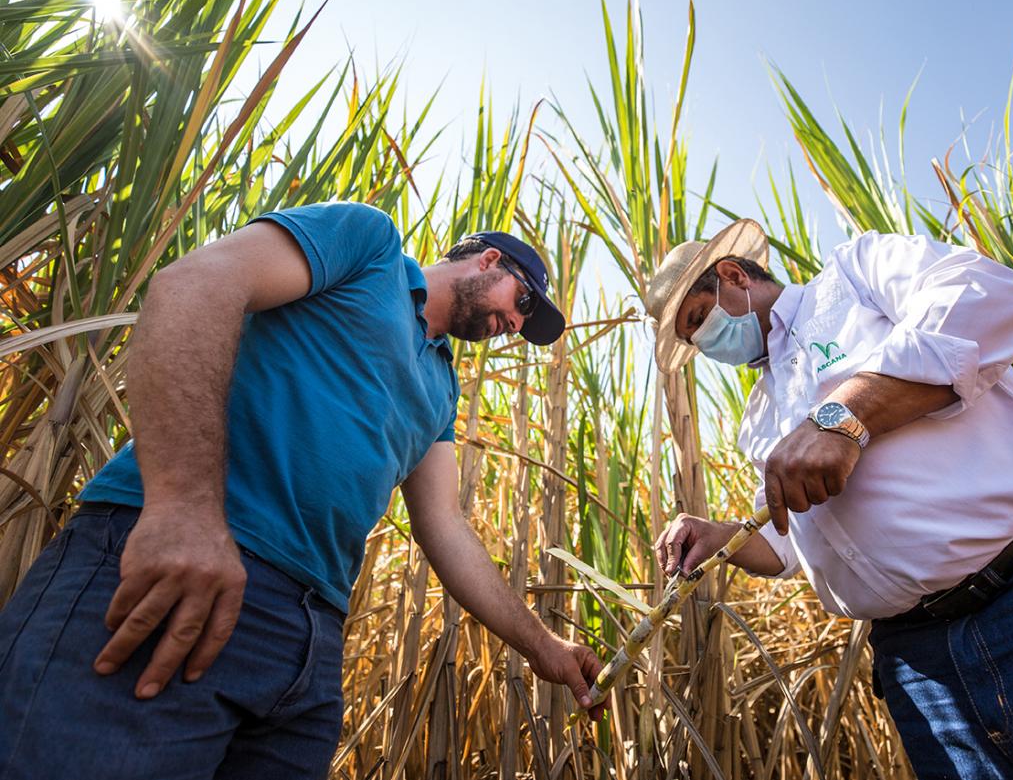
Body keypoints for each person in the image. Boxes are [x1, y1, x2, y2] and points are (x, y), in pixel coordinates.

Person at [0, 202, 604, 779]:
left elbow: (443, 527)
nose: (515, 324)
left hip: (309, 651)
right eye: (523, 301)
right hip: (195, 566)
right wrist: (183, 508)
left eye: (525, 325)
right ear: (488, 259)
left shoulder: (442, 387)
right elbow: (196, 284)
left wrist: (540, 644)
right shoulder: (371, 247)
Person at [647, 219, 1013, 779]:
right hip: (923, 670)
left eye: (699, 320)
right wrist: (725, 538)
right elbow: (799, 547)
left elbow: (992, 297)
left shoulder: (852, 276)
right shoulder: (759, 419)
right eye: (696, 342)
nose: (708, 344)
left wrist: (844, 415)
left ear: (733, 275)